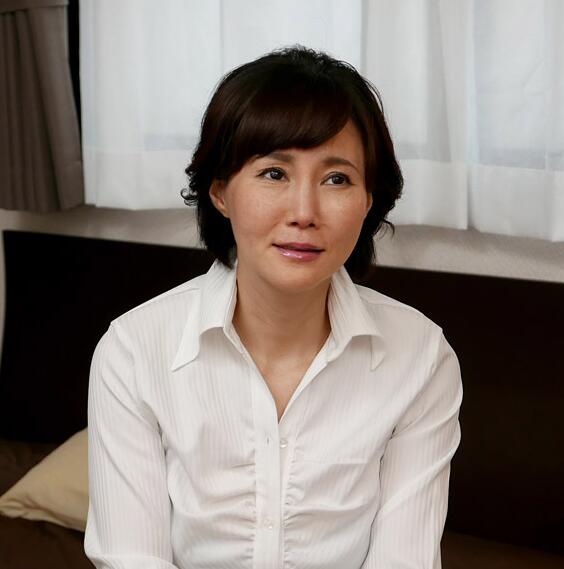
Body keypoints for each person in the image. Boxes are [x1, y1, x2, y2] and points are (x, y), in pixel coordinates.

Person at [84, 45, 463, 569]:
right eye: (274, 174)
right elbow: (131, 559)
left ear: (368, 200)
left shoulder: (421, 356)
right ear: (220, 191)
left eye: (337, 179)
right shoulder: (133, 350)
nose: (304, 212)